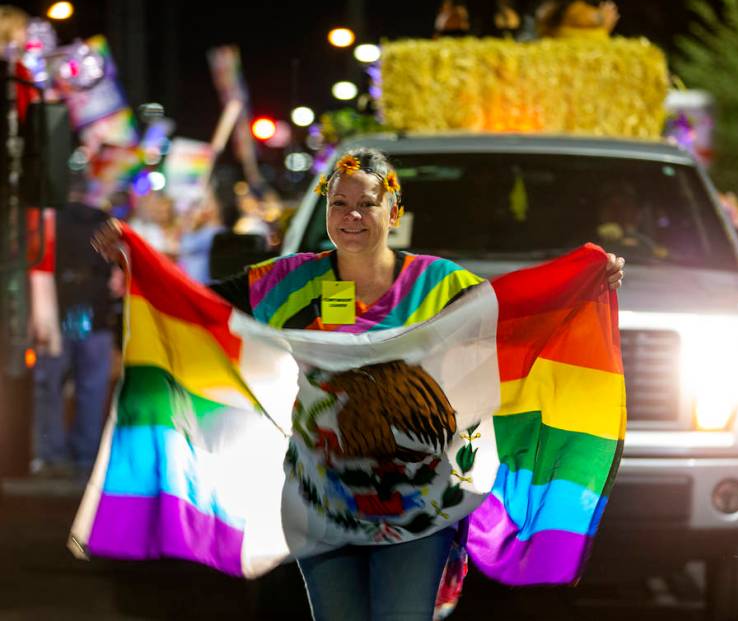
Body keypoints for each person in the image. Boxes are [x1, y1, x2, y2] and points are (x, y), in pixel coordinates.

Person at [92, 148, 625, 620]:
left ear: (394, 212)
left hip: (420, 506)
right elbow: (196, 305)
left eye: (367, 204)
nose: (351, 216)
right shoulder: (286, 282)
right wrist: (137, 256)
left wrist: (587, 281)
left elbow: (515, 318)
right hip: (322, 503)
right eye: (338, 203)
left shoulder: (442, 285)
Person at [32, 172, 122, 478]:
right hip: (94, 312)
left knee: (50, 385)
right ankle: (86, 455)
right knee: (92, 386)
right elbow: (118, 269)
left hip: (56, 311)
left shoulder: (49, 219)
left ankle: (51, 454)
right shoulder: (105, 222)